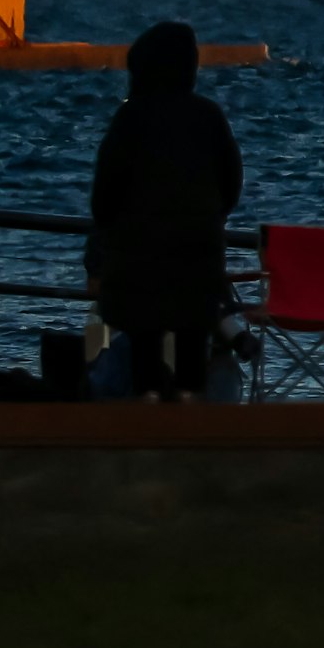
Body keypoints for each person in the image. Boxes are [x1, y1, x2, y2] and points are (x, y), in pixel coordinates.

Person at [88, 20, 245, 401]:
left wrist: (115, 227)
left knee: (144, 337)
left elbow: (103, 195)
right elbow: (231, 183)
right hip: (197, 258)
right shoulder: (209, 117)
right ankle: (190, 404)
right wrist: (208, 218)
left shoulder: (130, 118)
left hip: (138, 263)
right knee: (193, 337)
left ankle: (148, 405)